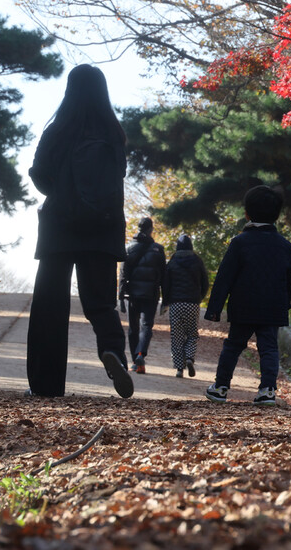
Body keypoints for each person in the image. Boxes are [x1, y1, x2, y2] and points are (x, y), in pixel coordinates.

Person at [24, 64, 133, 399]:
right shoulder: (114, 133)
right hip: (102, 228)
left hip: (60, 227)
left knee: (50, 305)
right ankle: (113, 351)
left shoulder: (58, 130)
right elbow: (117, 179)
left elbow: (41, 175)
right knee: (100, 302)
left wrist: (62, 191)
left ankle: (46, 385)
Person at [203, 185, 291, 406]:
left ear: (247, 213)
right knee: (269, 348)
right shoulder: (285, 246)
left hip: (244, 304)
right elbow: (289, 279)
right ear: (277, 215)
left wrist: (214, 308)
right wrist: (286, 303)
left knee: (233, 345)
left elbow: (225, 277)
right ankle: (267, 390)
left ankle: (221, 387)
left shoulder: (239, 242)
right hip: (273, 306)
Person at [118, 217, 166, 374]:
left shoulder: (129, 248)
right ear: (151, 230)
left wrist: (120, 296)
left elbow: (123, 274)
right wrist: (165, 299)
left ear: (137, 229)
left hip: (133, 294)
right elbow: (164, 276)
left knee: (133, 328)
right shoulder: (158, 249)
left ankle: (135, 362)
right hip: (151, 294)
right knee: (146, 326)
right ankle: (140, 354)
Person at [161, 234, 209, 378]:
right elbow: (205, 283)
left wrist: (166, 301)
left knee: (177, 336)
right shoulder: (197, 261)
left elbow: (165, 284)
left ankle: (179, 369)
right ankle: (189, 358)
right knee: (192, 334)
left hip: (176, 304)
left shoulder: (173, 262)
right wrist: (199, 298)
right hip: (192, 303)